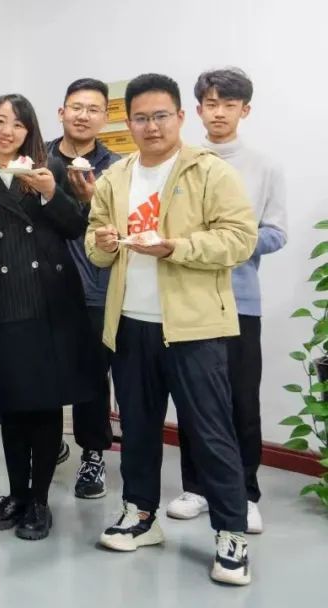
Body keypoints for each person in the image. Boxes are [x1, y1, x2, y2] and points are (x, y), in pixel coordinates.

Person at [87, 73, 257, 586]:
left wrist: (175, 248)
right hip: (130, 325)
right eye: (140, 118)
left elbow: (240, 239)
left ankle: (231, 534)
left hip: (194, 329)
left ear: (181, 117)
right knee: (138, 428)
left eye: (161, 115)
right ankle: (140, 515)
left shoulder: (209, 171)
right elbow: (95, 245)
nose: (151, 126)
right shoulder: (115, 176)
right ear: (129, 123)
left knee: (210, 432)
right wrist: (105, 243)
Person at [0, 94, 94, 541]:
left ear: (30, 131)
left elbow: (76, 227)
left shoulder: (49, 170)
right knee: (10, 405)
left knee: (45, 405)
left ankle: (40, 501)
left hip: (51, 302)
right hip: (3, 303)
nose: (7, 130)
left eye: (17, 124)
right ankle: (16, 494)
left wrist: (50, 193)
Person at [165, 68, 287, 534]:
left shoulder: (264, 167)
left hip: (240, 301)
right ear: (197, 110)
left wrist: (227, 241)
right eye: (211, 104)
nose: (219, 113)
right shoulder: (179, 160)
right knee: (193, 398)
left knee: (241, 401)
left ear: (244, 110)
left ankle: (245, 493)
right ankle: (196, 488)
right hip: (188, 297)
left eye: (229, 105)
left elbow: (276, 233)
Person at [44, 78, 121, 499]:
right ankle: (48, 442)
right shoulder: (39, 159)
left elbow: (123, 227)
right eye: (76, 107)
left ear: (104, 118)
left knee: (92, 375)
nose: (83, 115)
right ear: (62, 112)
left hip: (95, 286)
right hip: (44, 285)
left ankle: (92, 454)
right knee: (45, 369)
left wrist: (92, 200)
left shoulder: (118, 167)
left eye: (93, 109)